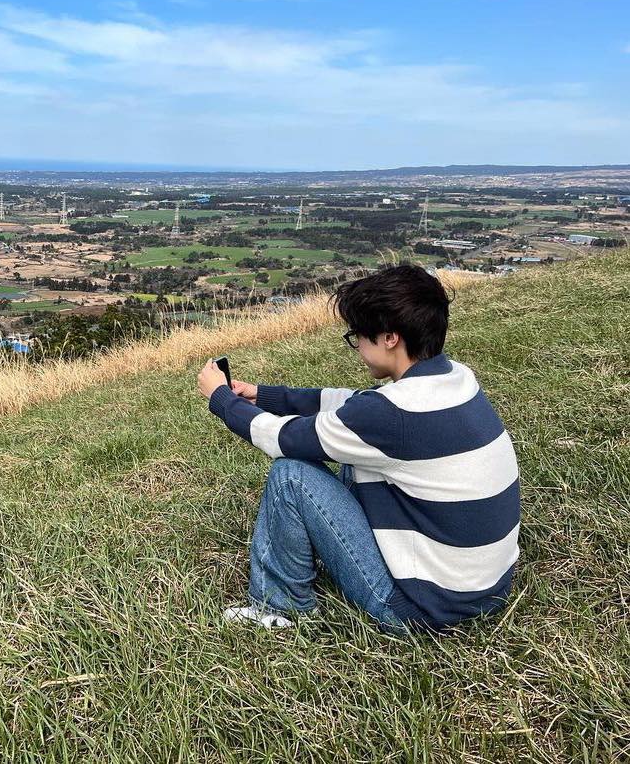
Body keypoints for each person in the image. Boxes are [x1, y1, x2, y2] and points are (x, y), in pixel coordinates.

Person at [197, 264, 520, 635]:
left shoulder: (391, 414)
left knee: (291, 475)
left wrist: (221, 399)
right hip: (485, 592)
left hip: (422, 611)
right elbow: (354, 406)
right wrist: (264, 395)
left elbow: (281, 438)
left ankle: (279, 607)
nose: (358, 348)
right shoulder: (456, 379)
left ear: (389, 338)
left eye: (358, 337)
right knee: (352, 449)